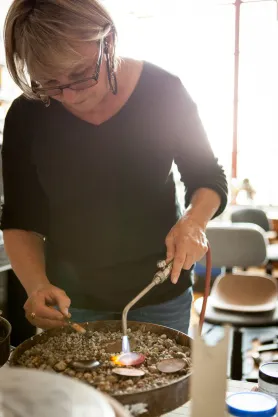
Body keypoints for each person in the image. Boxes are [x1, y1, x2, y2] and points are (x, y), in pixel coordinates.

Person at [1, 0, 227, 334]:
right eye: (49, 83)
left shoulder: (163, 92)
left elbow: (208, 175)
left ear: (108, 41)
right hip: (69, 301)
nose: (70, 96)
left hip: (159, 293)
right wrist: (36, 285)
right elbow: (20, 217)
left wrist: (194, 222)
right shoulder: (26, 115)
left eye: (80, 75)